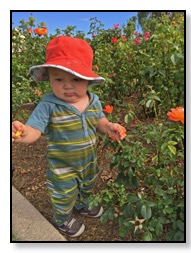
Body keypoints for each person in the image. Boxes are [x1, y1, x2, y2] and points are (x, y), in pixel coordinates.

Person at [12, 36, 126, 238]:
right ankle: (62, 219)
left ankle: (82, 205)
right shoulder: (49, 104)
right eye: (59, 79)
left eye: (76, 79)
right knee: (63, 194)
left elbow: (99, 119)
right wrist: (24, 133)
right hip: (62, 166)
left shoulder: (94, 100)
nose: (67, 86)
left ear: (88, 80)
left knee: (88, 184)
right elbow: (34, 129)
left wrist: (108, 126)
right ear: (50, 78)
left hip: (88, 160)